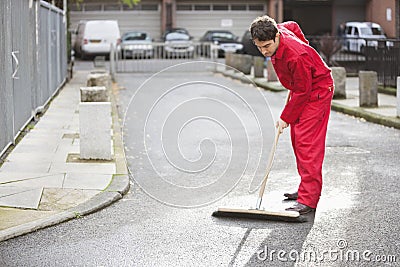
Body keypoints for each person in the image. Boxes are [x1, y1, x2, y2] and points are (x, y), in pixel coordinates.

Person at [250, 15, 334, 214]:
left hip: (317, 91)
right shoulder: (276, 29)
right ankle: (306, 188)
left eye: (267, 46)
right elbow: (294, 26)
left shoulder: (296, 56)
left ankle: (308, 199)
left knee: (307, 144)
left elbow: (304, 91)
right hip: (303, 88)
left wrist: (285, 117)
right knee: (298, 140)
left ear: (277, 36)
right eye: (259, 47)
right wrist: (304, 44)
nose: (264, 52)